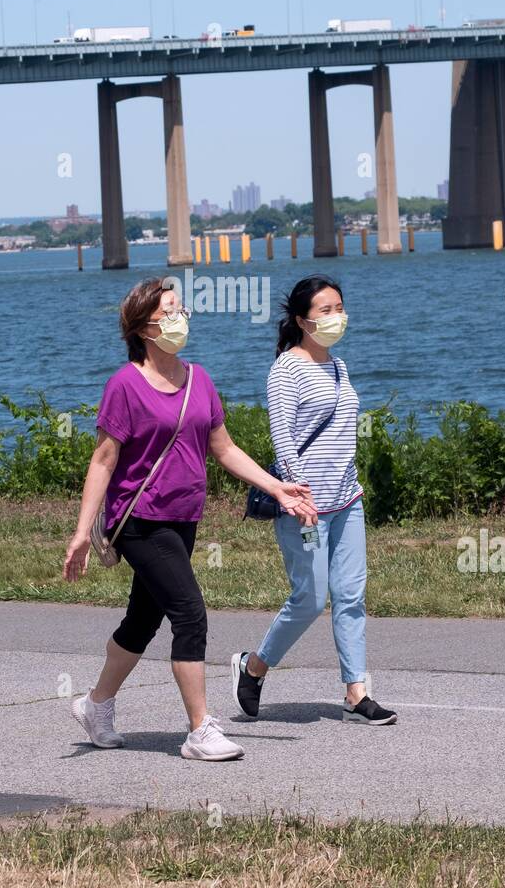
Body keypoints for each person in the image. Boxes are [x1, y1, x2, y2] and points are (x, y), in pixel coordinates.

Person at [63, 276, 317, 761]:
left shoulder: (198, 378)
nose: (180, 319)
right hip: (139, 519)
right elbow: (103, 460)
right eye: (169, 312)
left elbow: (222, 448)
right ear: (143, 327)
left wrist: (276, 486)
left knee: (143, 618)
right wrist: (81, 533)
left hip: (183, 516)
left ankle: (95, 706)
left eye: (181, 309)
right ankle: (201, 730)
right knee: (189, 612)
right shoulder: (125, 385)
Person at [231, 275, 397, 726]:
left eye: (339, 307)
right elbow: (282, 437)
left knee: (351, 597)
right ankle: (253, 667)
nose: (336, 316)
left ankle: (356, 694)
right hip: (303, 504)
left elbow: (342, 436)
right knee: (310, 599)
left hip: (347, 500)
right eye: (325, 309)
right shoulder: (288, 367)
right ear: (303, 319)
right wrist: (295, 491)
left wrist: (349, 483)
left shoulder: (339, 365)